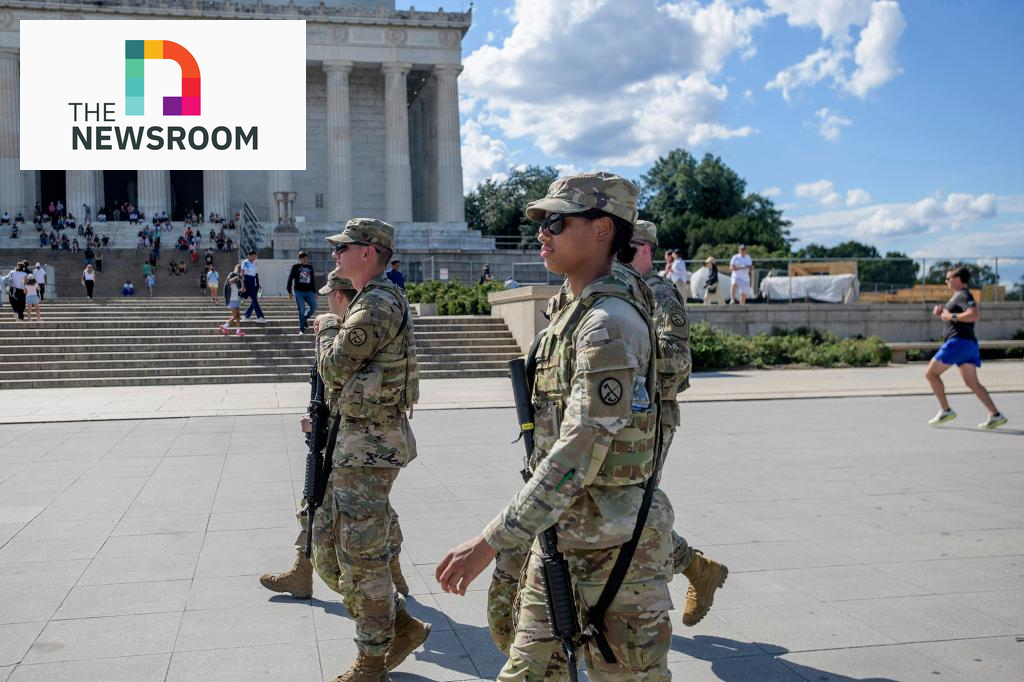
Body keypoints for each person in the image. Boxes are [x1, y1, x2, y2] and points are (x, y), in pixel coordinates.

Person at [436, 172, 676, 680]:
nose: (542, 232)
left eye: (557, 222)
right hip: (560, 539)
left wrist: (491, 541)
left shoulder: (608, 324)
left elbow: (577, 450)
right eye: (542, 222)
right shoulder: (570, 314)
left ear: (603, 229)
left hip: (618, 555)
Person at [307, 219, 427, 681]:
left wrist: (327, 329)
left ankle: (373, 660)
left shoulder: (376, 304)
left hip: (369, 449)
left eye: (344, 247)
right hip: (353, 443)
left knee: (362, 556)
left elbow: (335, 369)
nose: (335, 253)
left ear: (369, 252)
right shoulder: (367, 300)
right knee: (326, 546)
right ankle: (400, 625)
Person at [629, 221, 729, 626]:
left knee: (631, 511)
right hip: (616, 417)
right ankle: (697, 568)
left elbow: (678, 359)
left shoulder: (660, 293)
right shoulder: (616, 291)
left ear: (645, 250)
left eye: (625, 245)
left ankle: (695, 570)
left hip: (652, 417)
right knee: (620, 510)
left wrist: (620, 355)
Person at [925, 266, 1008, 429]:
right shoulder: (958, 296)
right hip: (968, 345)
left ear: (957, 279)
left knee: (931, 374)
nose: (946, 281)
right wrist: (943, 313)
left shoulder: (963, 294)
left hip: (958, 343)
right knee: (973, 383)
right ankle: (995, 414)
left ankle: (945, 410)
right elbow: (955, 316)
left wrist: (950, 315)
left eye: (948, 278)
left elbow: (974, 315)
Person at [286, 250, 318, 334]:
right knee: (301, 310)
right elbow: (290, 279)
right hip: (298, 292)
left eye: (306, 258)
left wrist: (314, 292)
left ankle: (304, 318)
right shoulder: (295, 267)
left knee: (314, 306)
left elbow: (312, 280)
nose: (305, 259)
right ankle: (301, 329)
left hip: (309, 291)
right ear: (300, 259)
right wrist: (289, 291)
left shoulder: (310, 267)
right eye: (303, 258)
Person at [241, 250, 266, 322]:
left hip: (253, 282)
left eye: (255, 256)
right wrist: (243, 285)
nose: (254, 258)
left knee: (254, 300)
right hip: (247, 281)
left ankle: (246, 316)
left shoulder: (254, 263)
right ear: (249, 256)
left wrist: (258, 284)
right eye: (253, 256)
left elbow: (255, 275)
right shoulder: (245, 262)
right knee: (254, 299)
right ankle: (260, 316)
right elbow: (242, 274)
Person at [220, 266, 246, 336]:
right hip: (232, 300)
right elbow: (229, 281)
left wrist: (242, 280)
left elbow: (243, 289)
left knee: (237, 316)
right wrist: (238, 276)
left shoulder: (235, 285)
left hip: (236, 300)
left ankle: (238, 330)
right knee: (236, 316)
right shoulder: (230, 281)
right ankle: (224, 326)